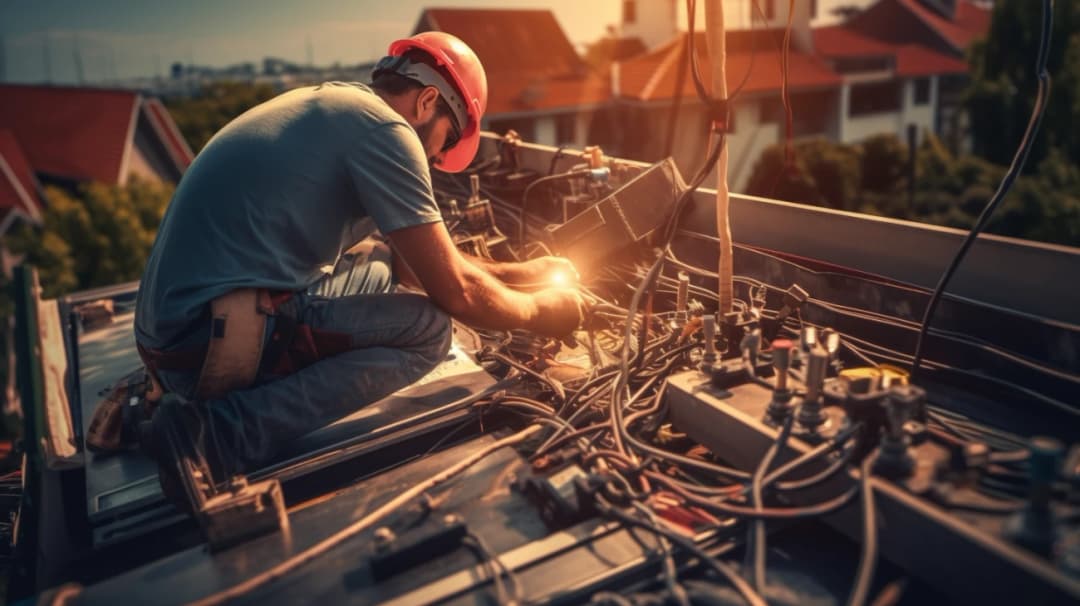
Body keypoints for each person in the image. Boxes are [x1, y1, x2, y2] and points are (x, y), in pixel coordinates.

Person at [113, 32, 586, 497]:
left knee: (380, 267)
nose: (439, 158)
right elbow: (455, 292)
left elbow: (414, 270)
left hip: (174, 331)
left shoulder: (344, 108)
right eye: (447, 140)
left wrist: (528, 274)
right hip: (203, 343)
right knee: (428, 331)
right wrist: (542, 311)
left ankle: (223, 406)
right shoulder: (389, 134)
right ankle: (215, 436)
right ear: (426, 102)